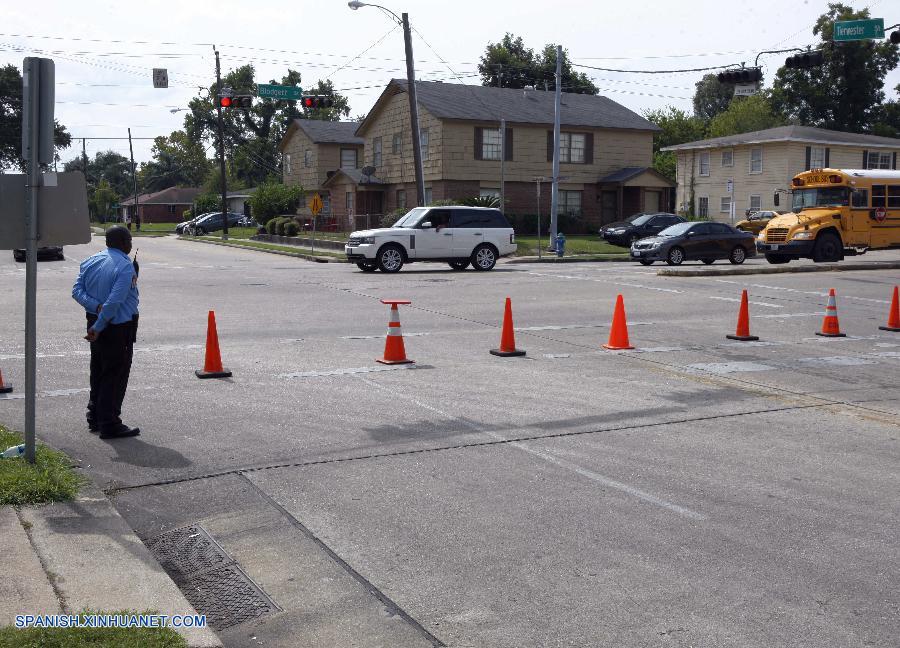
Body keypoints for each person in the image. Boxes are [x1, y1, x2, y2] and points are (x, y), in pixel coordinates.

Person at [71, 226, 140, 439]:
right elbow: (114, 303)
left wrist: (95, 307)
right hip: (115, 327)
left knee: (99, 370)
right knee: (115, 374)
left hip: (95, 320)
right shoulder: (124, 267)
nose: (131, 243)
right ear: (121, 242)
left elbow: (76, 292)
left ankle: (95, 416)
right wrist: (99, 326)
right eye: (129, 239)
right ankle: (109, 423)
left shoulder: (91, 261)